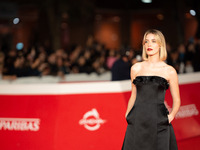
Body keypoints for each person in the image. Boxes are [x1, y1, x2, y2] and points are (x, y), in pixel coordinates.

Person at [122, 29, 181, 150]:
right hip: (137, 119)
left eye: (153, 41)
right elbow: (134, 94)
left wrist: (171, 116)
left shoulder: (169, 70)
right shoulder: (136, 68)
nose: (149, 44)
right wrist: (127, 114)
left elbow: (177, 100)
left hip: (158, 120)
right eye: (146, 41)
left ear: (160, 45)